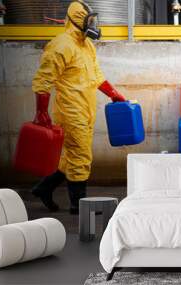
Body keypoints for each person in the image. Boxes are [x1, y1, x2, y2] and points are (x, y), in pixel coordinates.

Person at [31, 1, 126, 214]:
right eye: (88, 20)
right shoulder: (61, 45)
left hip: (86, 109)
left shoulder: (87, 45)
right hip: (70, 112)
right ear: (76, 20)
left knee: (70, 158)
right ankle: (79, 208)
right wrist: (41, 111)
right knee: (81, 157)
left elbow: (96, 76)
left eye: (93, 19)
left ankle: (43, 188)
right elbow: (43, 81)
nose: (93, 24)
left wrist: (113, 94)